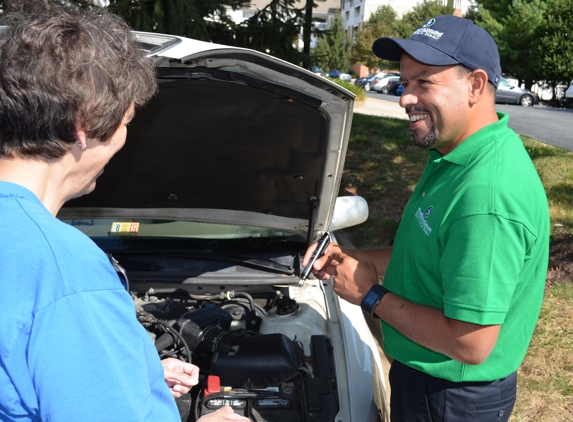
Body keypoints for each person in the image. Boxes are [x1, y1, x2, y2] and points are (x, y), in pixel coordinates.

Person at [0, 3, 249, 422]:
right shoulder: (65, 270)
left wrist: (139, 375)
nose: (123, 141)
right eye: (126, 121)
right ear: (83, 125)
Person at [304, 15, 549, 422]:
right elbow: (431, 253)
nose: (404, 98)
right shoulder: (455, 154)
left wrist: (370, 295)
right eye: (404, 83)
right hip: (428, 381)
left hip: (452, 398)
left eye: (424, 82)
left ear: (475, 85)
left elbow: (470, 344)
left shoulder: (486, 197)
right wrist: (359, 260)